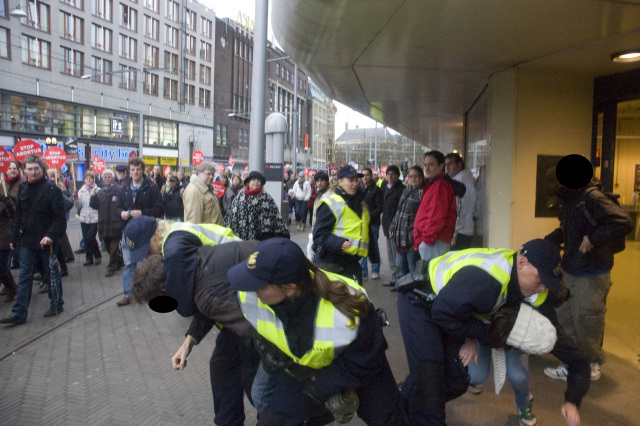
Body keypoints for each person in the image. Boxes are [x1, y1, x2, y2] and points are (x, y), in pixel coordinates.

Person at [396, 239, 591, 426]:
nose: (542, 288)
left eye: (548, 283)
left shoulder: (538, 294)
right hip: (419, 303)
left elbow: (577, 359)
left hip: (452, 309)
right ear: (522, 262)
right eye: (541, 279)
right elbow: (442, 312)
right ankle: (413, 407)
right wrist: (480, 333)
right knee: (431, 390)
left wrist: (573, 401)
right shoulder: (487, 282)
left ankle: (403, 399)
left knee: (457, 380)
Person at [227, 238, 408, 425]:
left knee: (390, 419)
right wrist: (268, 351)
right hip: (301, 371)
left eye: (260, 285)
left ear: (290, 289)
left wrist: (321, 384)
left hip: (359, 365)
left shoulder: (349, 309)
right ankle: (318, 413)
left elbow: (368, 360)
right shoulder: (250, 296)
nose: (251, 289)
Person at [128, 221, 258, 426]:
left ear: (155, 235)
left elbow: (202, 302)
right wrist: (189, 341)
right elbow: (202, 300)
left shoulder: (174, 248)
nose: (147, 257)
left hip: (251, 294)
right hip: (237, 291)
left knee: (258, 384)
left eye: (147, 250)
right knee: (222, 367)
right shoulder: (178, 260)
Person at [543, 178, 633, 382]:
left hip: (592, 271)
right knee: (565, 317)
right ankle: (573, 363)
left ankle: (591, 364)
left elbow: (624, 222)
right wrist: (542, 243)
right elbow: (566, 230)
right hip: (570, 268)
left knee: (586, 319)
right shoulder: (569, 199)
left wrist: (593, 239)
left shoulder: (593, 197)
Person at [0, 155, 66, 324]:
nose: (33, 171)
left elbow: (60, 219)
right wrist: (14, 238)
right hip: (27, 241)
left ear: (41, 169)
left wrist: (51, 236)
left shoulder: (53, 190)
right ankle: (20, 312)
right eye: (29, 169)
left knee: (51, 273)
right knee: (24, 276)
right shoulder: (23, 189)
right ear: (24, 170)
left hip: (46, 242)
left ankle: (57, 302)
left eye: (36, 168)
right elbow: (19, 217)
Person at [115, 157, 163, 306]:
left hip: (147, 233)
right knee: (129, 264)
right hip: (129, 232)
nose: (135, 172)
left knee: (151, 263)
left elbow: (159, 209)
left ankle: (153, 292)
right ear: (129, 171)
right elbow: (118, 207)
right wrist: (121, 213)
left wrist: (142, 213)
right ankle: (128, 295)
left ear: (143, 170)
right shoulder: (124, 188)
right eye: (132, 170)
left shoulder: (151, 187)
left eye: (138, 169)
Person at [312, 165, 369, 283]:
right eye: (351, 180)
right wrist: (339, 243)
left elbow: (363, 229)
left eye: (357, 180)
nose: (355, 184)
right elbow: (319, 234)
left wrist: (374, 255)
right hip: (330, 263)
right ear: (340, 182)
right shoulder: (330, 203)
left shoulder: (360, 203)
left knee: (356, 299)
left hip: (352, 263)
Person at [413, 150, 457, 263]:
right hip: (434, 242)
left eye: (431, 164)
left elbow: (436, 218)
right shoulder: (435, 184)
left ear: (441, 165)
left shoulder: (439, 186)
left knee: (432, 278)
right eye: (425, 165)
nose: (427, 168)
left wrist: (426, 241)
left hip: (434, 243)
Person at [225, 171, 290, 241]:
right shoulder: (241, 195)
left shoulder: (266, 198)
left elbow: (275, 217)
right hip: (241, 238)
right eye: (253, 179)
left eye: (258, 180)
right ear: (248, 182)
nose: (256, 182)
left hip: (260, 239)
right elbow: (231, 213)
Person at [389, 165, 424, 277]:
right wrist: (392, 226)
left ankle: (413, 293)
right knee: (400, 267)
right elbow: (399, 211)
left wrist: (416, 235)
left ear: (421, 178)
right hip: (400, 237)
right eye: (411, 176)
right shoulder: (406, 190)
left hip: (411, 238)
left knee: (412, 268)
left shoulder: (422, 193)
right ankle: (403, 291)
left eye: (416, 176)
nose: (413, 179)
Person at [89, 169, 124, 277]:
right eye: (105, 177)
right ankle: (120, 261)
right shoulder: (100, 191)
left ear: (113, 178)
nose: (107, 179)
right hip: (103, 224)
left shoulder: (119, 190)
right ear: (102, 179)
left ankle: (111, 267)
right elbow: (94, 206)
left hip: (115, 224)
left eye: (109, 177)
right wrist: (93, 196)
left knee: (114, 248)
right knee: (108, 247)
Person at [0, 161, 23, 302]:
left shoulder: (4, 198)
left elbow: (13, 214)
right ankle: (9, 287)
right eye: (10, 168)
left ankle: (12, 288)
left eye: (15, 168)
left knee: (2, 267)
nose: (12, 170)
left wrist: (7, 201)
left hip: (4, 237)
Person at [445, 153, 477, 250]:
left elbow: (459, 210)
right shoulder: (466, 177)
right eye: (445, 165)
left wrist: (453, 233)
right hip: (463, 230)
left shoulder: (461, 181)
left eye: (450, 164)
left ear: (459, 164)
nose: (447, 167)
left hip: (460, 232)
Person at [381, 165, 404, 287]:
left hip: (395, 227)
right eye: (388, 174)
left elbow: (400, 210)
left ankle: (400, 279)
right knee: (390, 254)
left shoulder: (401, 189)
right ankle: (394, 277)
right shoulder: (386, 187)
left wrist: (394, 226)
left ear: (398, 175)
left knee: (396, 254)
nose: (390, 176)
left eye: (393, 174)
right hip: (386, 225)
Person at [359, 167, 383, 280]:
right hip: (361, 224)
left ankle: (375, 270)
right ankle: (363, 272)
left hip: (373, 223)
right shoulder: (358, 190)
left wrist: (368, 216)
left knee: (374, 245)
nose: (365, 177)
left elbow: (380, 208)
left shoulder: (377, 190)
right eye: (363, 175)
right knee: (362, 246)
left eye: (367, 175)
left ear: (371, 175)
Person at [74, 171, 101, 266]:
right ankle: (89, 258)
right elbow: (79, 205)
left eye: (90, 178)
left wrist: (94, 196)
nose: (88, 180)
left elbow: (99, 205)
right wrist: (76, 198)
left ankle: (97, 255)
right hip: (84, 217)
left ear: (93, 179)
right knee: (86, 239)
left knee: (91, 237)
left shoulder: (98, 190)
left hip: (95, 217)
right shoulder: (81, 191)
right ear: (84, 180)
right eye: (86, 178)